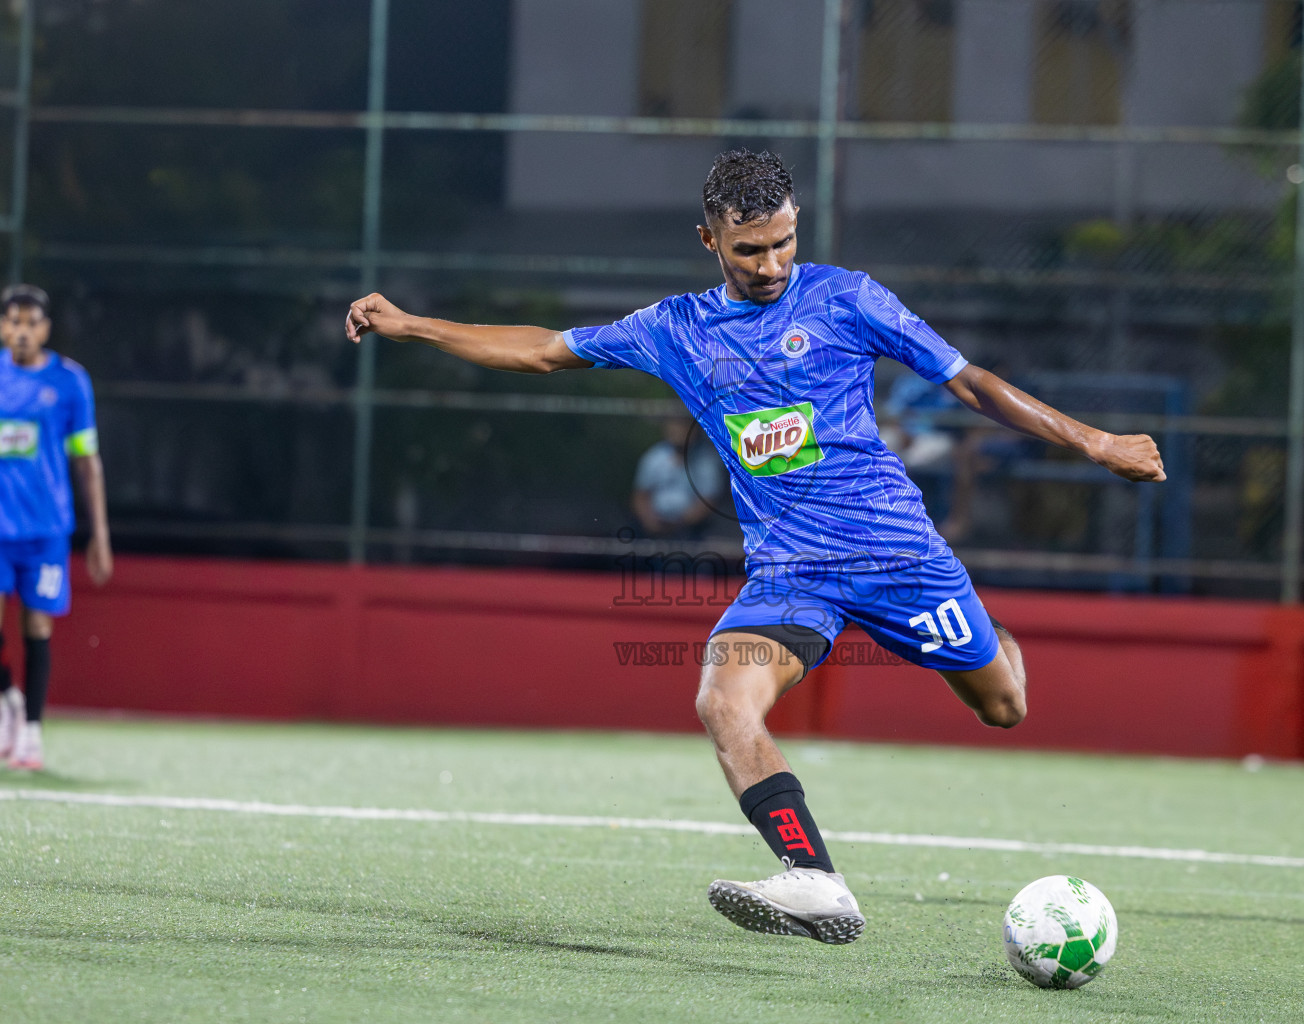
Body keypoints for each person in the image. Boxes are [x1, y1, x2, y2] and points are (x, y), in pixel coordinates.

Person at [344, 150, 1163, 944]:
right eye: (748, 249)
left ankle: (993, 640)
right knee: (720, 699)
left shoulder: (849, 300)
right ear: (709, 241)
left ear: (797, 224)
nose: (770, 264)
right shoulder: (676, 328)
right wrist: (411, 324)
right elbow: (543, 349)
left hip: (897, 558)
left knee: (1004, 707)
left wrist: (1095, 441)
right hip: (790, 575)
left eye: (782, 243)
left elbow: (968, 382)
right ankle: (813, 877)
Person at [0, 284, 114, 770]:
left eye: (32, 322)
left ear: (45, 329)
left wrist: (100, 535)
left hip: (46, 528)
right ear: (3, 326)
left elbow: (87, 460)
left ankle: (32, 731)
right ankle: (8, 695)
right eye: (13, 321)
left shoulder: (70, 383)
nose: (22, 331)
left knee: (37, 623)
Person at [632, 415, 724, 539]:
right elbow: (640, 496)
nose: (678, 430)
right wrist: (650, 523)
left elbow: (709, 501)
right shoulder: (653, 457)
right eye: (674, 425)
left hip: (693, 532)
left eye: (683, 425)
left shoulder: (707, 461)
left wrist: (679, 524)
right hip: (652, 529)